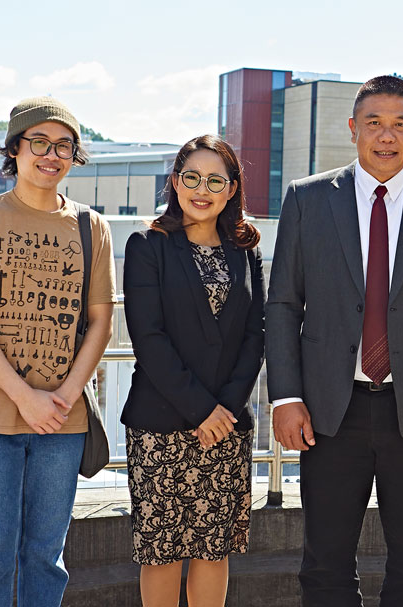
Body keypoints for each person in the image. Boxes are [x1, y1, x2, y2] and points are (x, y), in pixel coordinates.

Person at [266, 75, 403, 606]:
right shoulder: (307, 198)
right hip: (327, 412)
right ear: (352, 129)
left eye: (399, 125)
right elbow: (282, 305)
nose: (386, 137)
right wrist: (286, 396)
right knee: (324, 563)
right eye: (374, 124)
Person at [0, 97, 117, 606]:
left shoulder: (92, 226)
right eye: (38, 142)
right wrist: (25, 397)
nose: (51, 154)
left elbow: (101, 324)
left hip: (63, 419)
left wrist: (62, 395)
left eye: (63, 145)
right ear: (15, 149)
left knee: (47, 556)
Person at [121, 134, 264, 607]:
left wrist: (225, 409)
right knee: (162, 552)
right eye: (192, 177)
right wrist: (204, 410)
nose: (202, 189)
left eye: (215, 180)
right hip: (160, 423)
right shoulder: (148, 244)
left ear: (231, 189)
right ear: (175, 182)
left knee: (213, 548)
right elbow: (150, 339)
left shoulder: (246, 249)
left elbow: (255, 335)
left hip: (226, 426)